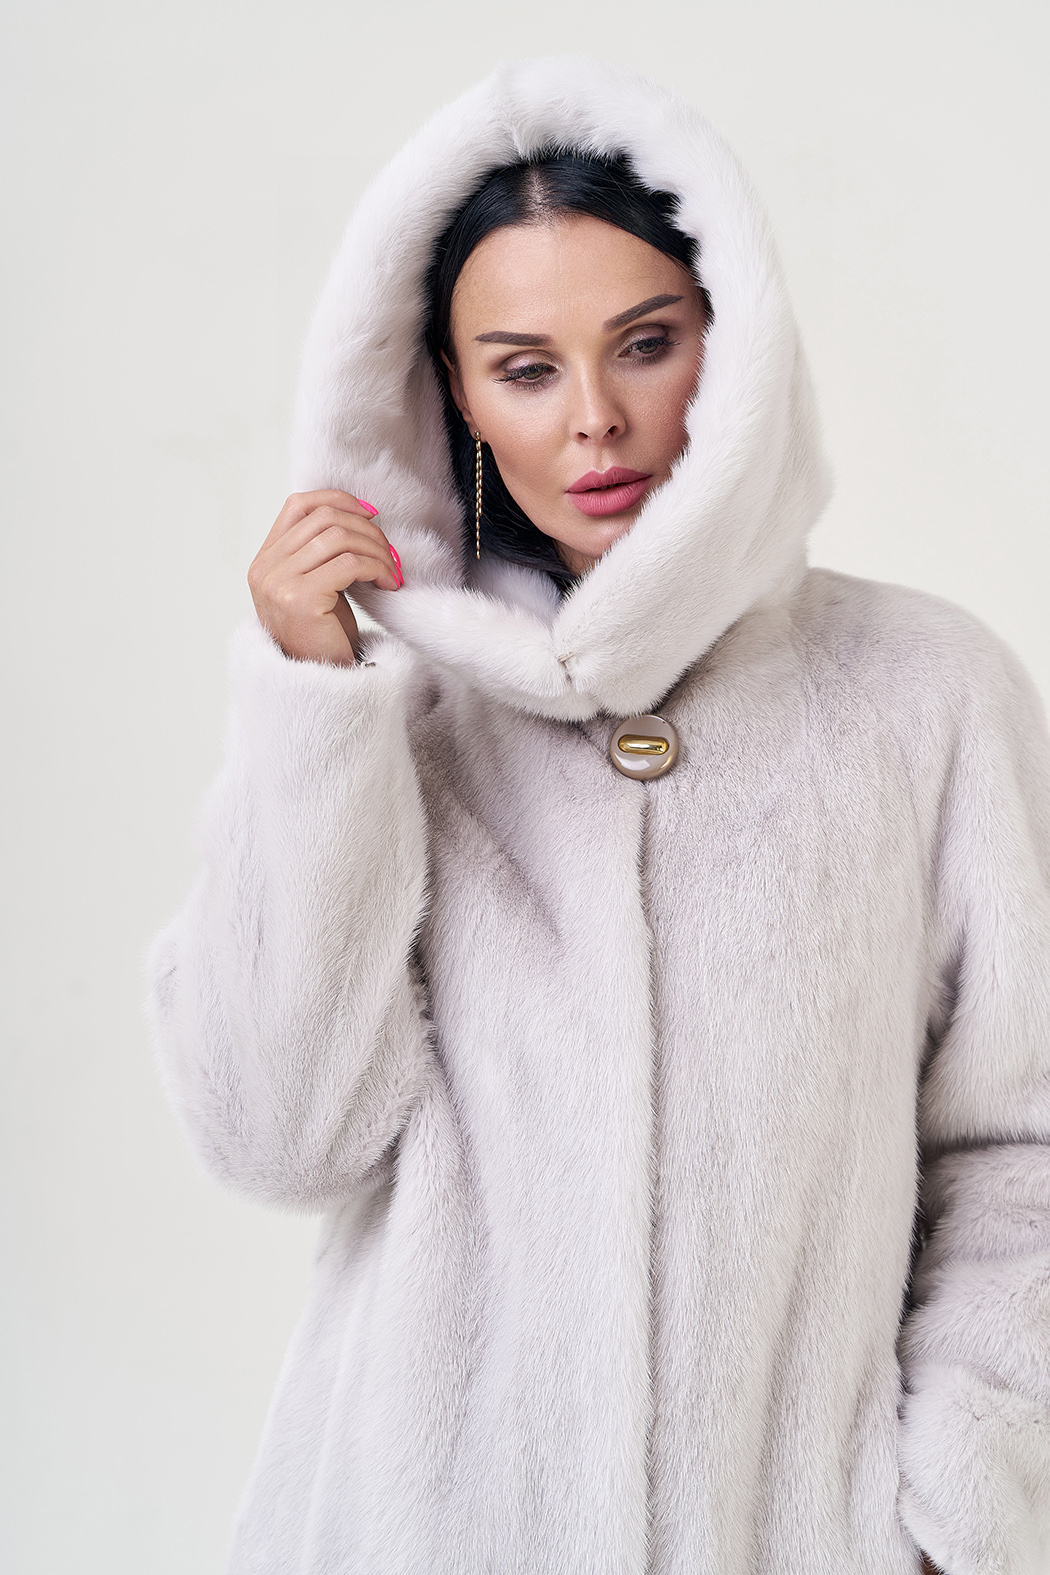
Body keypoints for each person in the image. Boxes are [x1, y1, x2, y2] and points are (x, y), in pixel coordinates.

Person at [146, 57, 1050, 1575]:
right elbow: (278, 1138)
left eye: (646, 344)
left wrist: (947, 1514)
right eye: (525, 368)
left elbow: (1020, 1151)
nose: (596, 422)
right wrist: (314, 712)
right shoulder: (390, 715)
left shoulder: (922, 693)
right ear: (452, 393)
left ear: (732, 341)